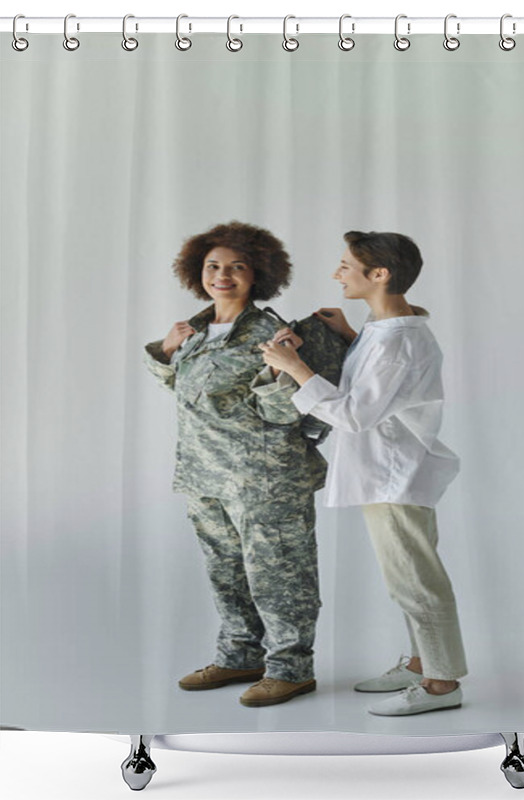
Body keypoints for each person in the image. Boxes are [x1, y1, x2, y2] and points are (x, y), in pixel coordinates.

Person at [260, 230, 467, 716]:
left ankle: (442, 684)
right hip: (387, 470)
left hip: (393, 475)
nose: (337, 274)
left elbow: (355, 414)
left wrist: (293, 366)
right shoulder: (385, 329)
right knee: (408, 576)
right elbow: (381, 380)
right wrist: (352, 337)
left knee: (415, 581)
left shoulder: (397, 340)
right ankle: (422, 664)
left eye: (346, 266)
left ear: (380, 275)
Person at [144, 221, 348, 707]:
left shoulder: (271, 333)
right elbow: (191, 394)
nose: (223, 275)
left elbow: (284, 415)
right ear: (198, 272)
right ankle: (239, 654)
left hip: (265, 479)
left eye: (237, 267)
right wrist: (165, 352)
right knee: (226, 573)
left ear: (258, 275)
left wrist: (283, 371)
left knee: (280, 576)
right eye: (213, 266)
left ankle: (291, 669)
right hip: (204, 476)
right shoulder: (193, 332)